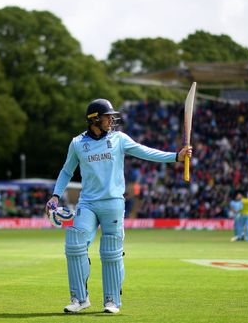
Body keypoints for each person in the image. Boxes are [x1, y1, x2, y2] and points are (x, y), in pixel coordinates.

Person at [45, 98, 192, 314]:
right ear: (94, 119)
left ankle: (112, 301)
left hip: (113, 202)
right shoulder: (77, 143)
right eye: (107, 117)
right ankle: (79, 299)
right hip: (88, 202)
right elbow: (67, 171)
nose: (111, 120)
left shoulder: (119, 139)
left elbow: (146, 152)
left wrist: (175, 157)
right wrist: (56, 195)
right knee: (75, 243)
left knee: (111, 252)